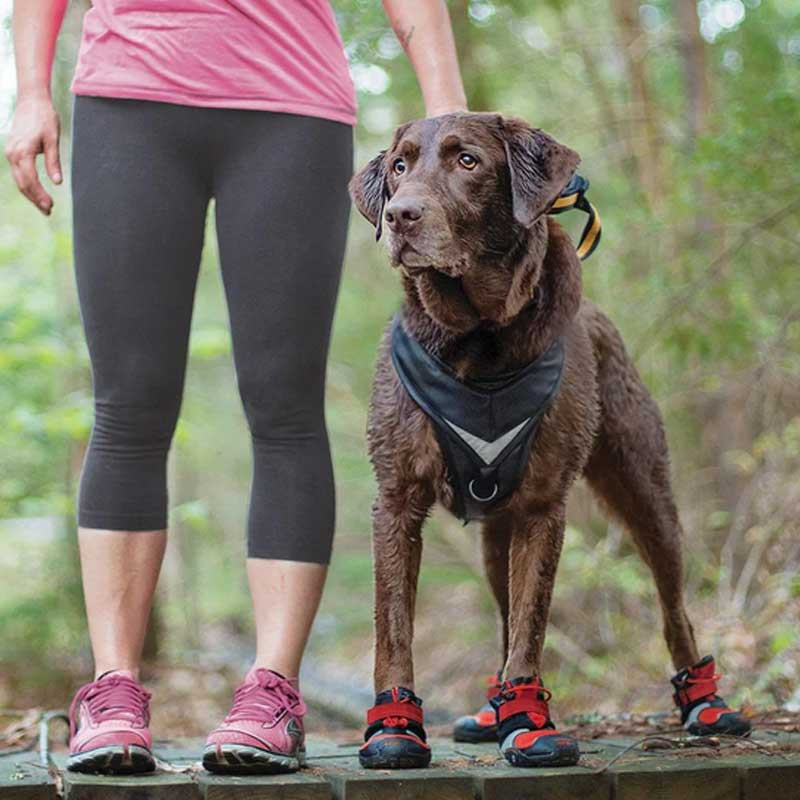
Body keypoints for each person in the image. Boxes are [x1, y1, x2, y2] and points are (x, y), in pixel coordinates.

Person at [5, 0, 467, 775]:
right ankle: (112, 691)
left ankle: (273, 692)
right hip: (128, 100)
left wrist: (447, 112)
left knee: (286, 405)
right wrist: (29, 90)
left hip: (291, 105)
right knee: (128, 407)